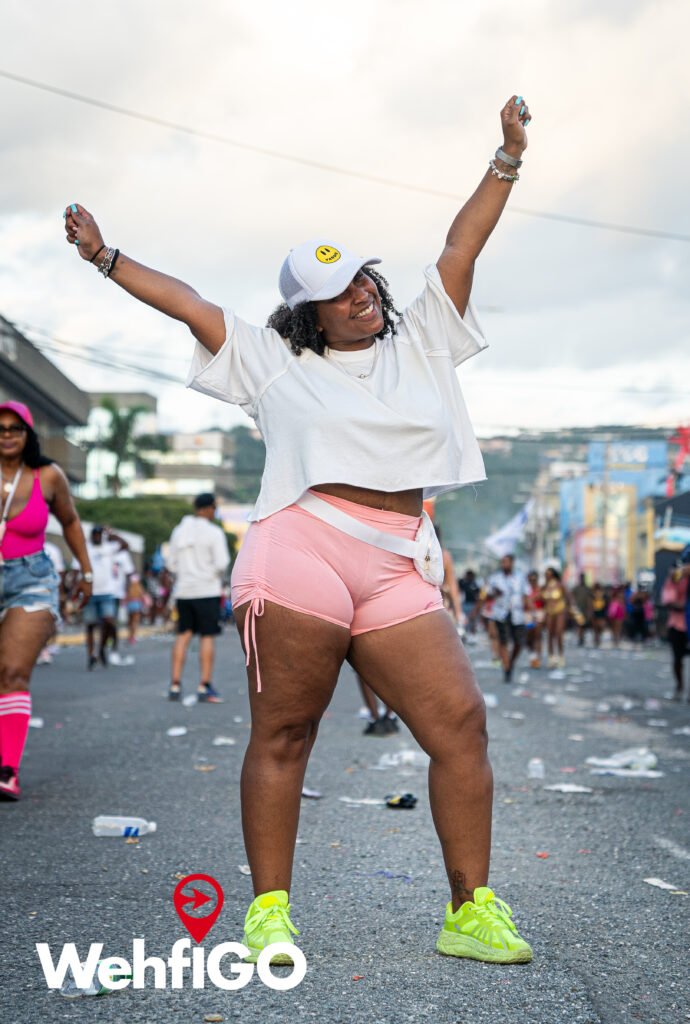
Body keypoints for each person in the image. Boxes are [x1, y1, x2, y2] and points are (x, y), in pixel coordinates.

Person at [64, 94, 534, 965]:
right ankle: (269, 913)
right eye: (336, 294)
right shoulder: (273, 359)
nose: (359, 296)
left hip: (397, 559)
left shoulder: (424, 337)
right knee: (286, 733)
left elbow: (460, 247)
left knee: (461, 725)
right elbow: (189, 304)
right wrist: (105, 257)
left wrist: (505, 158)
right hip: (302, 547)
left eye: (362, 280)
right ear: (307, 313)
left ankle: (470, 911)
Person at [0, 402, 92, 800]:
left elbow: (70, 521)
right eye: (0, 429)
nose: (7, 435)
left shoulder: (48, 475)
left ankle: (7, 770)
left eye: (15, 428)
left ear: (28, 434)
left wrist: (86, 571)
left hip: (31, 579)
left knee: (12, 672)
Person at [165, 493, 230, 703]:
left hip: (184, 591)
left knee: (183, 635)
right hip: (207, 590)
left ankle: (175, 684)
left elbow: (171, 564)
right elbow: (222, 563)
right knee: (207, 637)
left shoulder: (179, 531)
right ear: (208, 508)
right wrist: (209, 574)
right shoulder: (214, 532)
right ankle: (204, 685)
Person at [81, 526, 128, 669]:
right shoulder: (85, 548)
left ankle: (101, 648)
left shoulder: (109, 547)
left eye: (99, 534)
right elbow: (77, 569)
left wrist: (112, 534)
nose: (96, 537)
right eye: (94, 534)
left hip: (107, 592)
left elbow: (126, 545)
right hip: (90, 592)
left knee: (109, 621)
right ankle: (91, 655)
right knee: (90, 625)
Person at [487, 554, 530, 684]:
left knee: (519, 642)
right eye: (502, 562)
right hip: (501, 613)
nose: (504, 565)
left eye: (506, 562)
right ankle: (506, 669)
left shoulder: (520, 577)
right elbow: (488, 595)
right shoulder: (495, 578)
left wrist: (530, 612)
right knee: (503, 641)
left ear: (512, 563)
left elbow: (526, 595)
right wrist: (495, 593)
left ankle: (510, 662)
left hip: (517, 614)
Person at [661, 547, 690, 701]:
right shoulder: (674, 579)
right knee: (678, 659)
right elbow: (669, 601)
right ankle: (679, 687)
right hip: (677, 624)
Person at [108, 544, 136, 665]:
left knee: (112, 620)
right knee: (101, 621)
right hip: (102, 593)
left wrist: (127, 593)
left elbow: (129, 574)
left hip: (117, 594)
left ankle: (113, 647)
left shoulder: (123, 554)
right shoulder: (101, 550)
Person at [542, 566, 568, 669]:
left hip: (559, 611)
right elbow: (539, 598)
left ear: (553, 574)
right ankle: (551, 657)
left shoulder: (559, 585)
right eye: (546, 574)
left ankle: (561, 656)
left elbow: (568, 597)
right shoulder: (544, 586)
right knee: (550, 634)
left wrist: (573, 612)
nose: (547, 576)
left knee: (559, 633)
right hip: (549, 612)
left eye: (549, 574)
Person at [525, 569, 545, 669]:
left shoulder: (541, 589)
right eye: (530, 580)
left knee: (538, 635)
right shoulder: (525, 589)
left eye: (534, 580)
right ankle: (532, 653)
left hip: (539, 613)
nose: (532, 581)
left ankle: (537, 657)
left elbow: (544, 600)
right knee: (529, 636)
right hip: (528, 614)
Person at [570, 573, 592, 648]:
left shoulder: (587, 589)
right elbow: (571, 597)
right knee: (579, 625)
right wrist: (573, 607)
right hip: (578, 610)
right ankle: (580, 638)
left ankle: (581, 638)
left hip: (585, 610)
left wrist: (589, 611)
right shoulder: (576, 588)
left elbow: (589, 600)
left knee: (583, 626)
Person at [459, 569, 481, 640]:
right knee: (465, 621)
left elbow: (479, 597)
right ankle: (466, 634)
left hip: (473, 605)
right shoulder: (463, 583)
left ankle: (473, 635)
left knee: (473, 620)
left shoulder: (475, 585)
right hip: (464, 605)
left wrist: (476, 608)